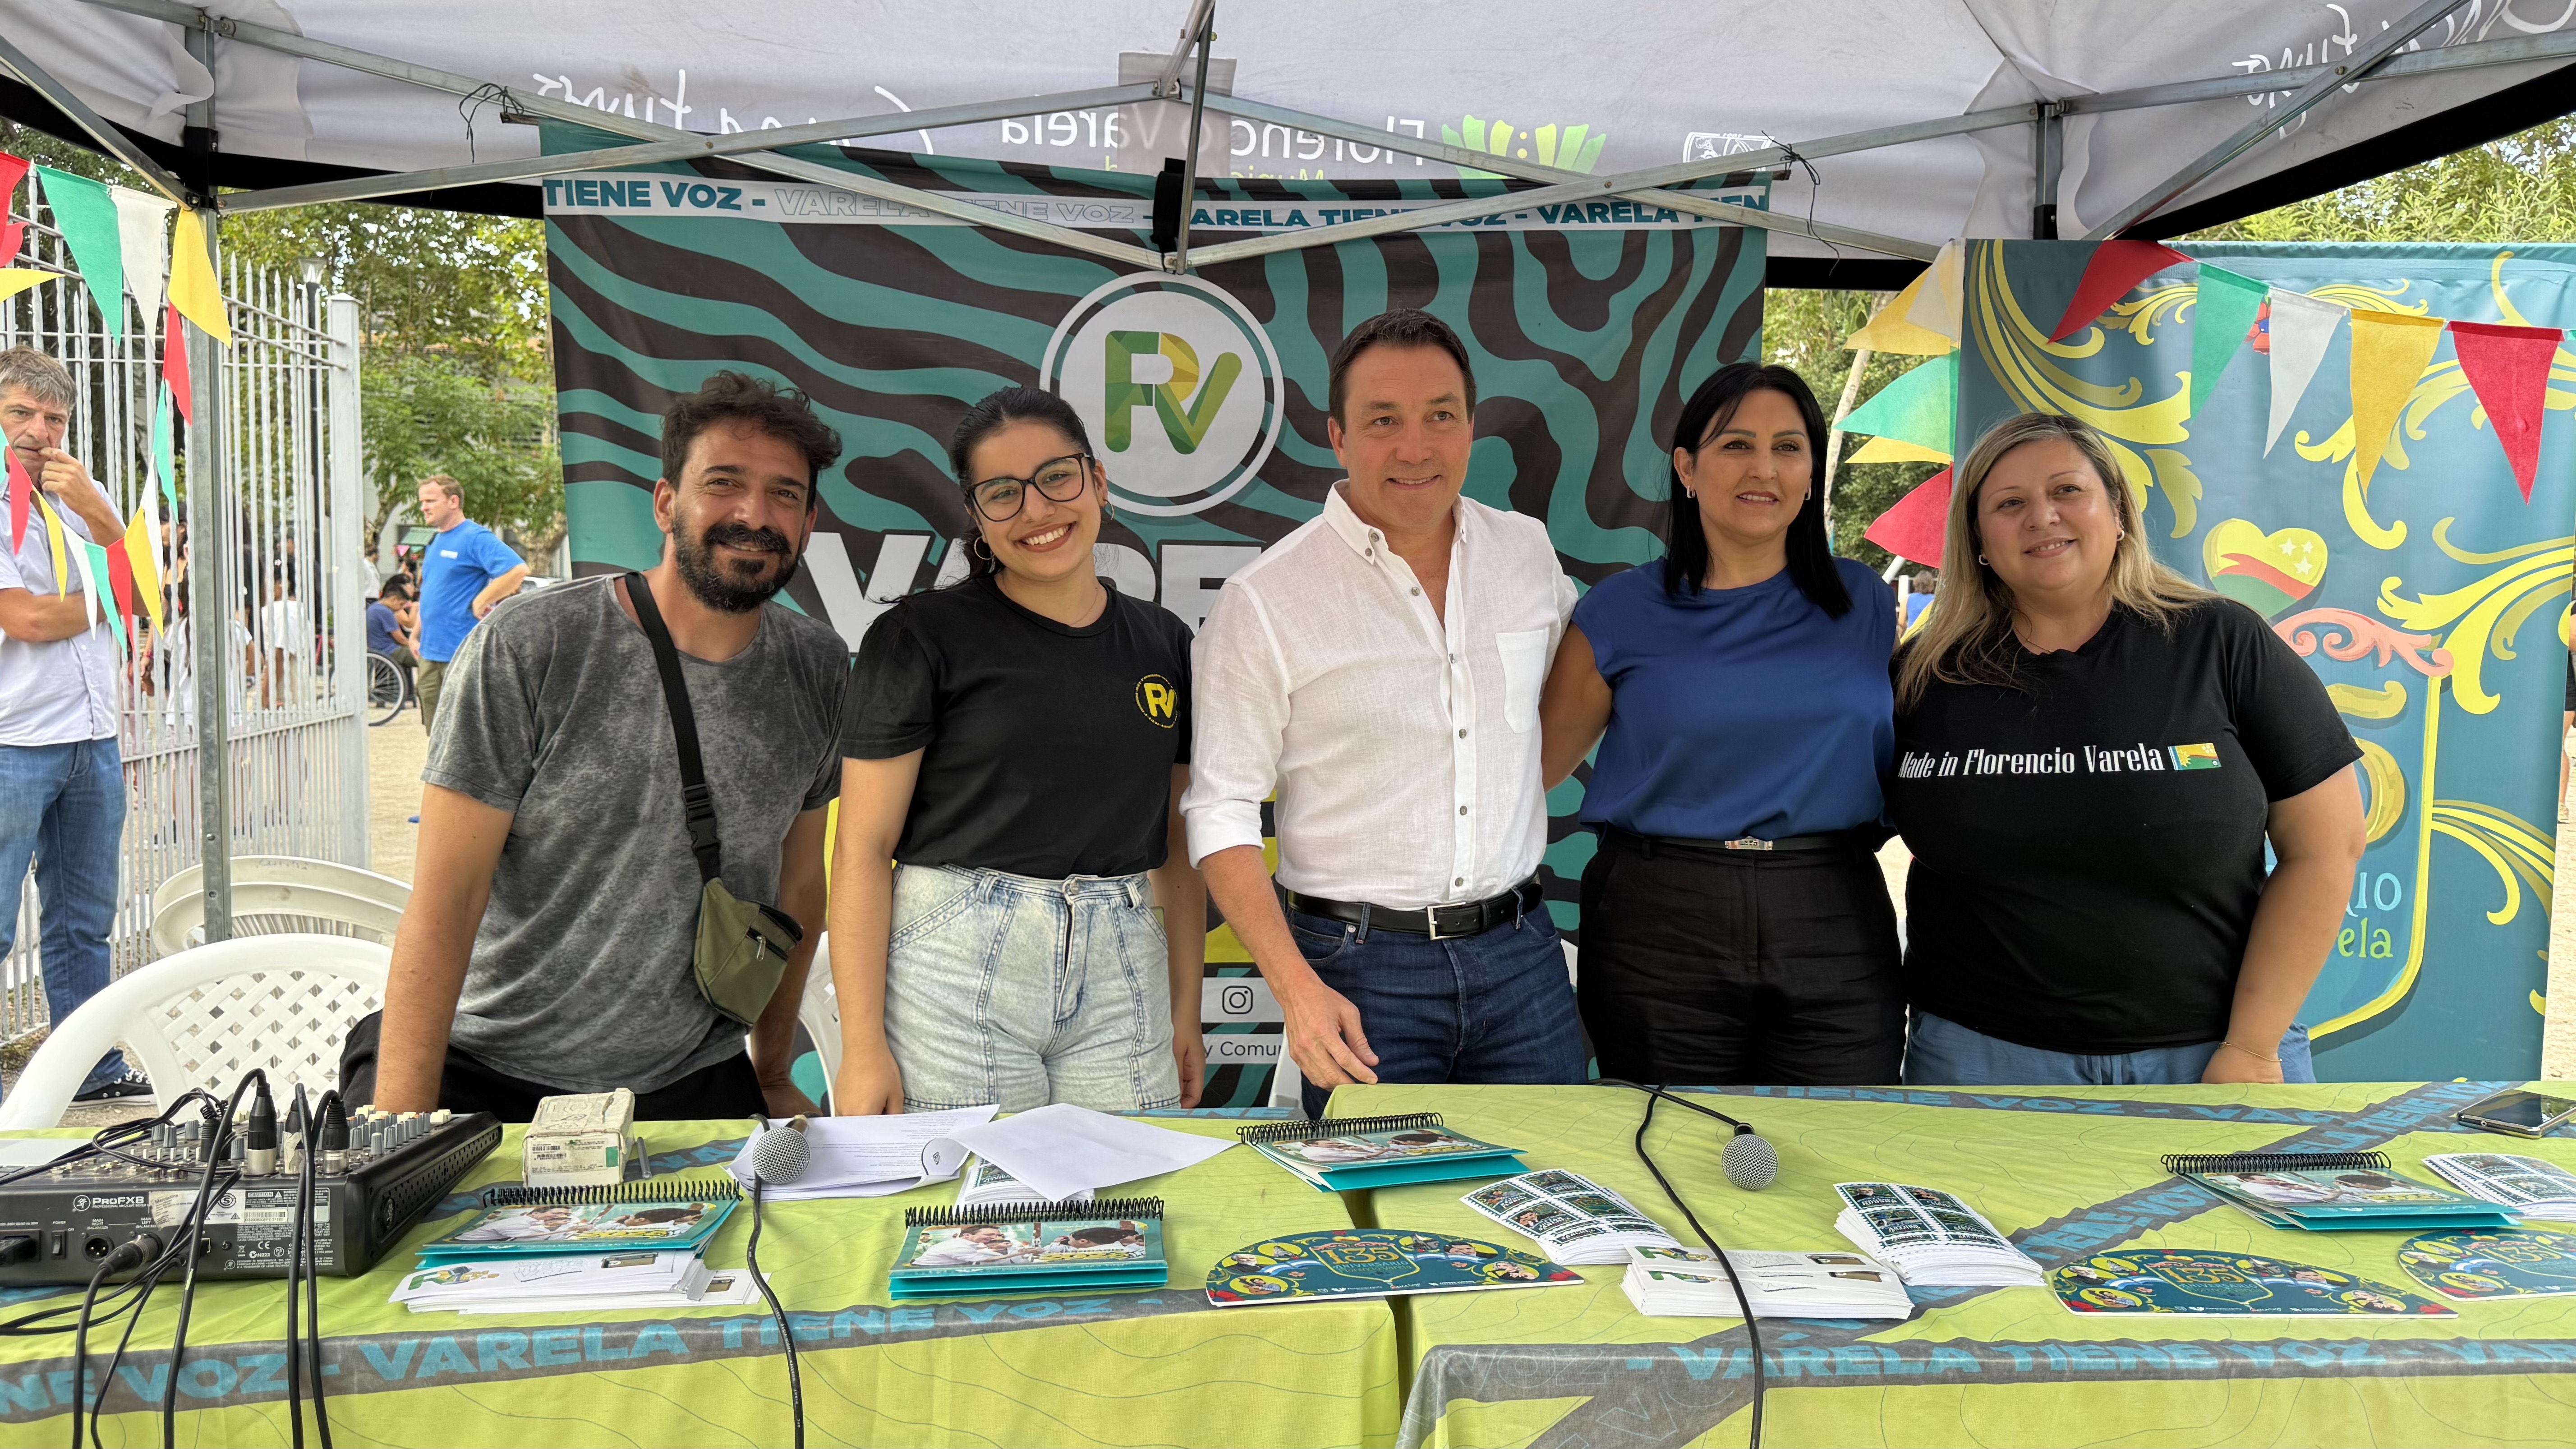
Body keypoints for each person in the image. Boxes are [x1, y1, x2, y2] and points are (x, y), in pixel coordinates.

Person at [346, 372, 846, 1121]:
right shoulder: (532, 646)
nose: (754, 513)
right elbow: (446, 900)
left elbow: (799, 888)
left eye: (784, 494)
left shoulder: (819, 667)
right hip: (484, 1069)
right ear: (667, 503)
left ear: (808, 523)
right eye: (724, 482)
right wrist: (404, 1129)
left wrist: (772, 1070)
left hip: (687, 1079)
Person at [1183, 308, 1587, 1118]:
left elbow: (1560, 704)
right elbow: (1219, 810)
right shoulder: (1266, 599)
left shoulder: (1526, 553)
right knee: (1379, 1200)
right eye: (1382, 421)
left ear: (1470, 426)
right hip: (1358, 973)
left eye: (1440, 416)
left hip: (1523, 959)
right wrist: (1296, 988)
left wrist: (1505, 791)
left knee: (1548, 1182)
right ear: (1337, 436)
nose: (1415, 447)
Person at [1888, 412, 2365, 1087]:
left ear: (2117, 512)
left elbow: (2328, 847)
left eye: (2067, 490)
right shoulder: (1923, 675)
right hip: (1977, 1060)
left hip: (2212, 1054)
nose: (2042, 516)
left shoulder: (2223, 643)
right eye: (2009, 504)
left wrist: (2253, 1049)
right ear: (1979, 541)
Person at [830, 387, 1204, 1115]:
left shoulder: (1164, 643)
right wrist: (863, 1046)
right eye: (1003, 493)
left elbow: (1177, 845)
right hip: (954, 966)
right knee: (976, 1191)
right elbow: (863, 850)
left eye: (1057, 477)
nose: (1037, 509)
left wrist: (1184, 1008)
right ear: (976, 515)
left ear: (1098, 481)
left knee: (1127, 1183)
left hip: (1124, 967)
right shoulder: (919, 638)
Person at [1537, 362, 1901, 1085]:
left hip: (1831, 911)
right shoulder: (1618, 611)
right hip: (1661, 921)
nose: (1763, 468)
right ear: (1687, 468)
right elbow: (1528, 774)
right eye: (1736, 445)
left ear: (1810, 472)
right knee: (1672, 1137)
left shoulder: (1864, 602)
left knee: (1843, 1135)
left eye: (1788, 447)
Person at [0, 346, 149, 1102]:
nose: (39, 431)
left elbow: (142, 586)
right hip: (13, 743)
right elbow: (26, 619)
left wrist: (95, 506)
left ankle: (90, 1071)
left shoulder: (78, 497)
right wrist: (115, 596)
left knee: (84, 923)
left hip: (92, 740)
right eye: (20, 413)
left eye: (54, 418)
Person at [411, 474, 527, 733]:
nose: (423, 508)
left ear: (453, 502)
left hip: (460, 654)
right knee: (436, 736)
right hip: (429, 654)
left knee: (465, 735)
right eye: (422, 502)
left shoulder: (475, 537)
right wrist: (415, 635)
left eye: (430, 501)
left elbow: (517, 570)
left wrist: (483, 600)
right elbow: (431, 593)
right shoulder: (436, 541)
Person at [368, 578, 418, 671]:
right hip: (389, 650)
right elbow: (401, 639)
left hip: (377, 649)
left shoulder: (374, 607)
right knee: (425, 658)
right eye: (401, 604)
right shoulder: (386, 612)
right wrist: (414, 645)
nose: (400, 609)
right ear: (394, 599)